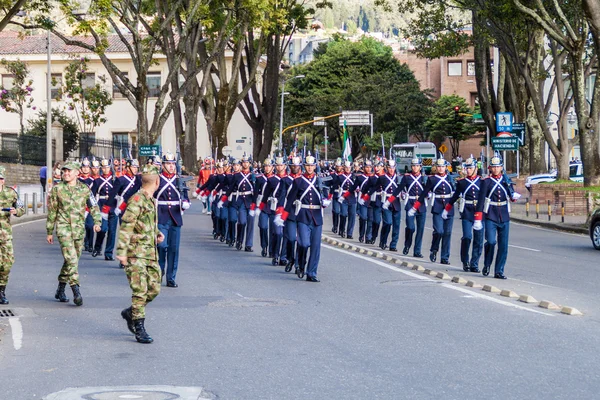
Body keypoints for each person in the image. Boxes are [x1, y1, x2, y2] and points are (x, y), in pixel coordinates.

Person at [117, 164, 165, 344]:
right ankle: (139, 327)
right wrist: (122, 252)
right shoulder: (137, 199)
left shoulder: (150, 199)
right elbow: (126, 225)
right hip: (135, 254)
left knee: (154, 288)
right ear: (158, 181)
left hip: (150, 253)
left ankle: (131, 312)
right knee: (140, 291)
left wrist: (157, 232)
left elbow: (143, 222)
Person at [46, 161, 102, 306]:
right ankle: (76, 291)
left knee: (71, 260)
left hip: (78, 230)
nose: (66, 173)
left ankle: (60, 289)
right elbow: (52, 211)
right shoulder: (57, 190)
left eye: (69, 171)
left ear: (77, 173)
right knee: (71, 259)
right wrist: (49, 231)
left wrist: (97, 222)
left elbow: (94, 206)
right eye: (64, 171)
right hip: (63, 228)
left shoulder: (85, 189)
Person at [279, 153, 330, 282]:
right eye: (307, 165)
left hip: (317, 216)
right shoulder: (298, 181)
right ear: (304, 166)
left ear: (315, 166)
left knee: (315, 246)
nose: (309, 168)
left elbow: (325, 195)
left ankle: (311, 273)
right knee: (303, 243)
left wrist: (326, 201)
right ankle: (301, 264)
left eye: (311, 165)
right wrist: (283, 216)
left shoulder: (320, 180)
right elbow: (290, 199)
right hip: (303, 215)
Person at [474, 154, 520, 279]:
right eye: (493, 167)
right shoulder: (486, 182)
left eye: (498, 166)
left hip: (504, 215)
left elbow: (510, 194)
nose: (496, 169)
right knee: (491, 241)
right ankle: (487, 264)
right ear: (490, 168)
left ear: (501, 167)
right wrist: (478, 218)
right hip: (490, 215)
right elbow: (481, 200)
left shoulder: (506, 180)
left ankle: (499, 270)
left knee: (503, 245)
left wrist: (514, 196)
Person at [156, 151, 190, 288]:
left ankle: (171, 277)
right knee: (161, 246)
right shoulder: (158, 179)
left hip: (175, 217)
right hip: (161, 215)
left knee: (174, 249)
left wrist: (185, 203)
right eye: (168, 164)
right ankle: (159, 272)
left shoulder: (179, 179)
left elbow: (185, 195)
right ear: (163, 165)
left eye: (172, 164)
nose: (171, 166)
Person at [413, 157, 455, 264]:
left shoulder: (450, 178)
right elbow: (424, 193)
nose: (441, 169)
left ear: (446, 167)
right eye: (439, 166)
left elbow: (455, 191)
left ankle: (445, 257)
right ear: (436, 168)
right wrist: (416, 206)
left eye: (443, 166)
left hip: (448, 207)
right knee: (439, 231)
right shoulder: (432, 179)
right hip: (437, 207)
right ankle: (434, 249)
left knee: (447, 233)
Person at [445, 156, 483, 272]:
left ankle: (474, 263)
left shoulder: (482, 181)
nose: (469, 170)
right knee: (467, 236)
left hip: (479, 212)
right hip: (467, 211)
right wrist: (447, 208)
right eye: (467, 168)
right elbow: (455, 196)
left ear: (476, 168)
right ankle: (465, 260)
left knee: (478, 239)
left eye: (471, 168)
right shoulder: (462, 183)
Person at [0, 166, 25, 304]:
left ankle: (1, 290)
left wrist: (17, 211)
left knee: (7, 264)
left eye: (1, 178)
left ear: (3, 180)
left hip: (5, 235)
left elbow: (21, 208)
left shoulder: (11, 193)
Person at [221, 154, 255, 252]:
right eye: (243, 162)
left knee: (251, 224)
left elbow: (256, 190)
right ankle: (239, 240)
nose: (245, 164)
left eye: (247, 162)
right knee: (242, 222)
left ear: (249, 164)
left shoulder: (253, 175)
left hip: (250, 201)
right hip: (241, 201)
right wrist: (223, 199)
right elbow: (231, 188)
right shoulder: (237, 176)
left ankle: (248, 244)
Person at [395, 157, 427, 257]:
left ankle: (417, 251)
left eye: (417, 166)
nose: (415, 168)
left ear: (420, 167)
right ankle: (407, 244)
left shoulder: (424, 178)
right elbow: (401, 188)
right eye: (413, 166)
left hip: (421, 205)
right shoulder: (407, 177)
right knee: (410, 227)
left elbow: (428, 189)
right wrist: (403, 194)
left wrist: (429, 194)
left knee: (420, 229)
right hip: (410, 203)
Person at [92, 158, 118, 261]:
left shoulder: (115, 180)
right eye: (103, 167)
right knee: (103, 229)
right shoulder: (97, 181)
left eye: (107, 167)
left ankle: (108, 253)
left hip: (113, 206)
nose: (105, 169)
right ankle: (97, 247)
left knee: (112, 232)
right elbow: (92, 196)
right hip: (102, 207)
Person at [379, 160, 402, 251]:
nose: (391, 170)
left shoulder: (399, 178)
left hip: (396, 203)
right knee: (387, 223)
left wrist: (403, 193)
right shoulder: (382, 178)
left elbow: (403, 188)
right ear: (386, 168)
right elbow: (375, 187)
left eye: (393, 167)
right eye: (389, 167)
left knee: (396, 225)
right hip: (386, 203)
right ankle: (383, 241)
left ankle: (393, 245)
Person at [255, 158, 274, 257]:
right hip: (263, 204)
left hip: (273, 204)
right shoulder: (260, 179)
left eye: (269, 166)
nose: (267, 168)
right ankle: (264, 246)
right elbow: (256, 192)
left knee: (272, 229)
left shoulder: (276, 179)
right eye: (266, 166)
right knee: (263, 226)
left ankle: (271, 249)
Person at [336, 161, 358, 239]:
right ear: (344, 168)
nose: (348, 169)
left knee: (352, 216)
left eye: (349, 167)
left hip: (352, 197)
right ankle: (342, 230)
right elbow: (336, 186)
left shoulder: (354, 177)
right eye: (346, 167)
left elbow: (357, 186)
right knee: (343, 214)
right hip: (343, 197)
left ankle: (350, 233)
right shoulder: (340, 177)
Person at [78, 158, 95, 253]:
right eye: (83, 167)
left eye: (87, 167)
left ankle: (89, 244)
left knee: (90, 226)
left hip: (89, 206)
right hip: (79, 206)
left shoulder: (93, 181)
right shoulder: (77, 180)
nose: (85, 169)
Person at [355, 160, 373, 243]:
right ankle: (361, 235)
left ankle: (368, 237)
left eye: (370, 167)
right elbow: (354, 187)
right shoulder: (360, 177)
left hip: (372, 199)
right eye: (367, 167)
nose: (368, 169)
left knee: (370, 219)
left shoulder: (374, 177)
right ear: (364, 168)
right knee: (363, 217)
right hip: (363, 199)